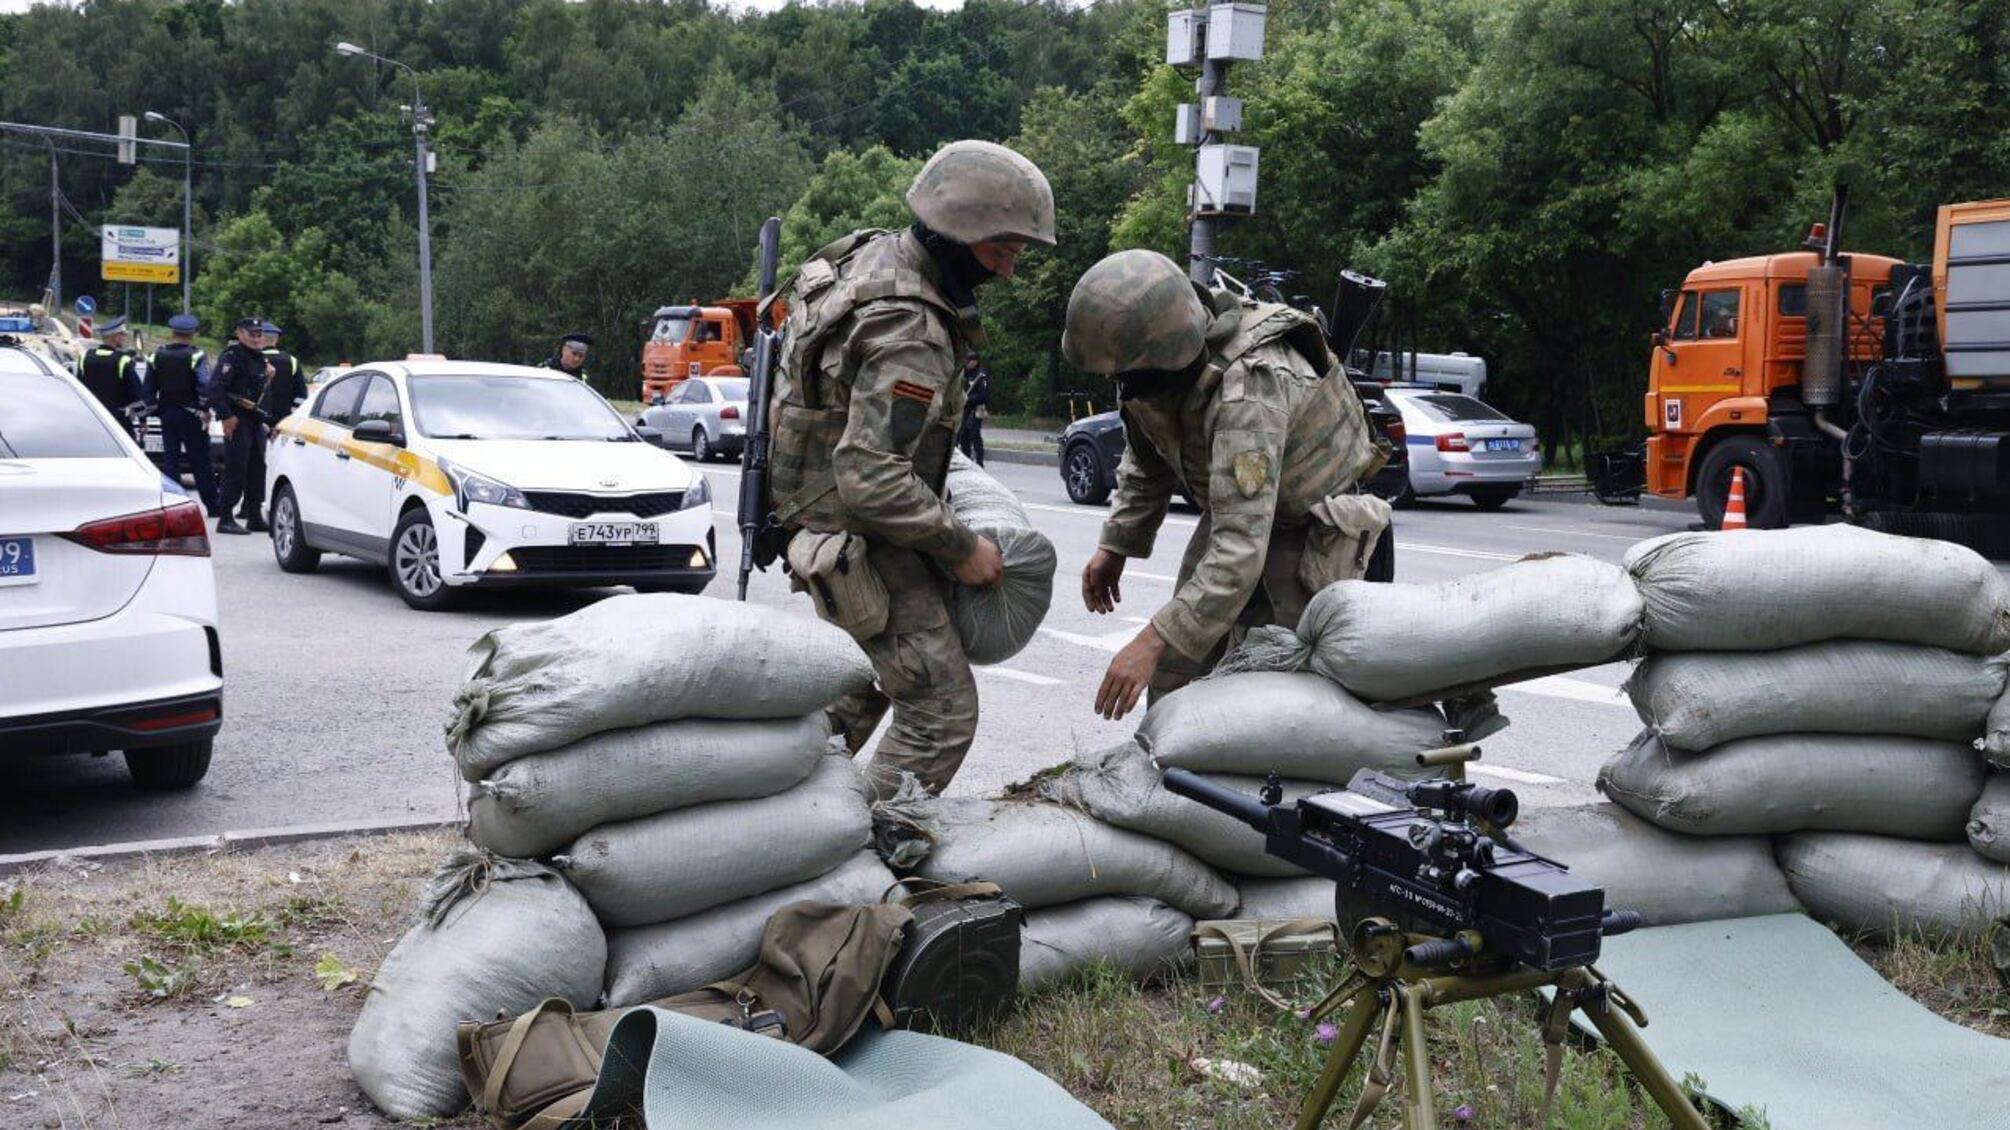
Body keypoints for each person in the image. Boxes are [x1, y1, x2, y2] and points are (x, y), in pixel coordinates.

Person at [765, 139, 1055, 799]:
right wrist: (962, 549)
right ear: (961, 233)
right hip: (861, 535)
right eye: (1001, 251)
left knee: (860, 688)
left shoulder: (867, 254)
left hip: (823, 522)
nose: (1008, 272)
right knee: (941, 712)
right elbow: (871, 475)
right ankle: (867, 846)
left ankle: (779, 810)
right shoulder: (912, 328)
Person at [1064, 249, 1388, 719]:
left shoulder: (1248, 395)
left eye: (1125, 374)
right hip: (1243, 516)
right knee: (1178, 666)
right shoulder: (1157, 371)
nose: (1119, 384)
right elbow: (1147, 453)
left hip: (1314, 533)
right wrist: (1116, 545)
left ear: (1164, 356)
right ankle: (1174, 776)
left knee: (1275, 693)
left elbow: (1238, 552)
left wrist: (1149, 640)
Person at [145, 313, 219, 516]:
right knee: (200, 461)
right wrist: (205, 410)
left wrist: (155, 411)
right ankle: (212, 507)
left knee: (171, 460)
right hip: (192, 416)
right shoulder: (196, 356)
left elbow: (148, 390)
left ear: (172, 333)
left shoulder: (156, 356)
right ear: (193, 333)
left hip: (167, 415)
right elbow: (205, 386)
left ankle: (172, 505)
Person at [208, 317, 275, 535]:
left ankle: (254, 515)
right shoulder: (232, 357)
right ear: (240, 334)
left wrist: (269, 377)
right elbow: (216, 388)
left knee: (257, 467)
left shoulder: (259, 358)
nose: (256, 338)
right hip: (237, 418)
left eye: (258, 334)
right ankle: (225, 517)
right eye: (251, 334)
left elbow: (258, 391)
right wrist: (226, 416)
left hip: (254, 418)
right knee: (236, 467)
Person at [75, 315, 144, 435]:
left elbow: (77, 389)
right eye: (123, 334)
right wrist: (142, 420)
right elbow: (136, 393)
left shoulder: (85, 357)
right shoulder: (123, 360)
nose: (125, 337)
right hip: (117, 420)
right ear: (114, 337)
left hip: (91, 418)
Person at [257, 321, 308, 422]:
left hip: (255, 421)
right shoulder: (292, 361)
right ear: (276, 340)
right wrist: (290, 418)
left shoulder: (252, 359)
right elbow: (301, 394)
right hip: (283, 421)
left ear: (259, 338)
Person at [957, 352, 989, 465]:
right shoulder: (964, 373)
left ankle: (979, 462)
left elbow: (983, 396)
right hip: (964, 409)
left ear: (975, 361)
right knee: (963, 436)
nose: (966, 364)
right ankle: (966, 460)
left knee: (974, 434)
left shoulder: (981, 376)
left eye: (968, 361)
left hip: (976, 409)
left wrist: (968, 399)